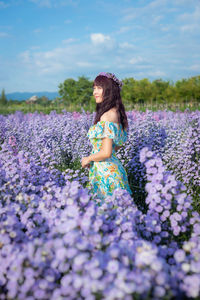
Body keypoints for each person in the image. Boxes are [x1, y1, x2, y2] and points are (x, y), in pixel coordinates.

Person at [81, 72, 132, 202]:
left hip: (105, 175)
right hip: (113, 170)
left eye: (98, 88)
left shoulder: (107, 116)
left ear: (109, 90)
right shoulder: (117, 113)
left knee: (105, 216)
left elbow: (106, 152)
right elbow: (117, 146)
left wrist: (88, 158)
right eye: (94, 88)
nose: (94, 92)